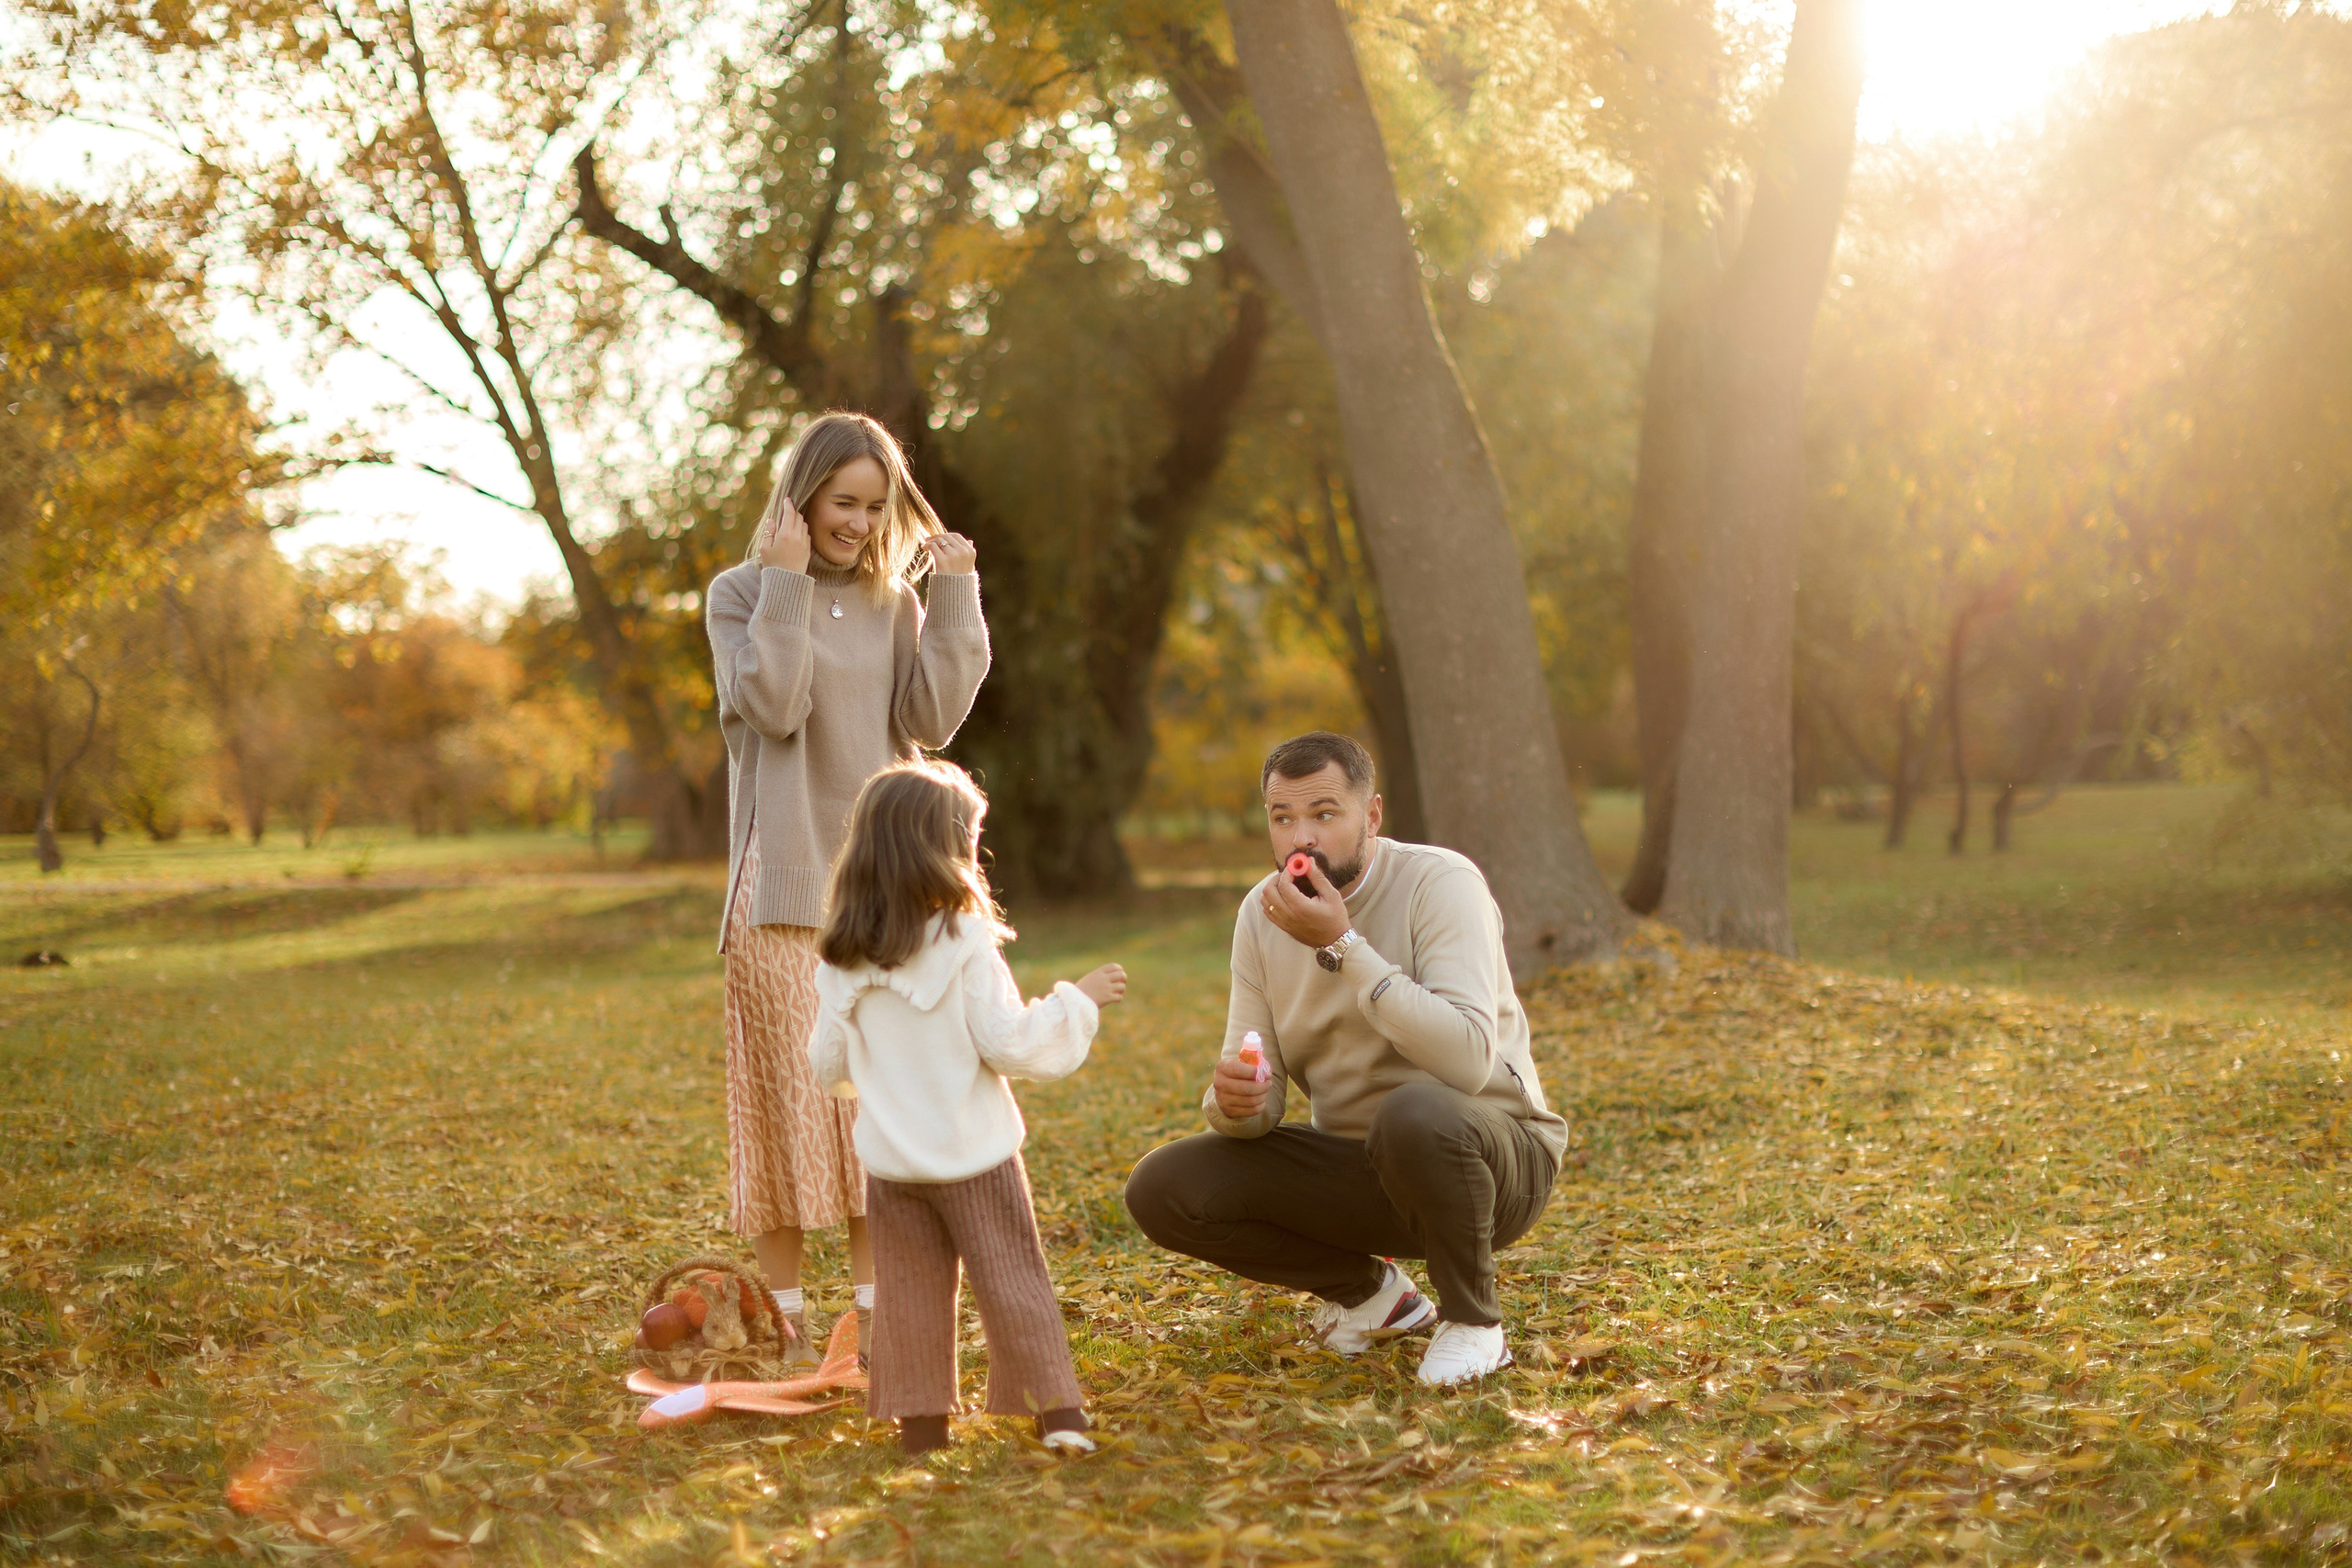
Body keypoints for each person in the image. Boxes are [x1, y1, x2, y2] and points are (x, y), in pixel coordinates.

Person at [1123, 731, 1565, 1386]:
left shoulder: (1441, 883)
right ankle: (1374, 1296)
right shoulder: (1259, 916)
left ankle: (1475, 1323)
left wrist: (1343, 945)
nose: (1301, 838)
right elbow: (1260, 1096)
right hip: (1363, 1173)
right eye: (1283, 818)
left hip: (1497, 1162)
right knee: (1161, 1186)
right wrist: (1235, 1101)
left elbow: (1469, 1059)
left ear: (1373, 815)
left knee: (1411, 1112)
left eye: (1324, 814)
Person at [706, 411, 990, 1363]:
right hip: (779, 892)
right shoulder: (741, 595)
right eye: (843, 503)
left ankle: (874, 1322)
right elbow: (775, 706)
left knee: (877, 1107)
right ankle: (780, 1323)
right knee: (788, 1108)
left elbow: (935, 720)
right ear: (804, 493)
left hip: (881, 893)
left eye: (875, 507)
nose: (860, 524)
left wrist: (953, 596)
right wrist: (786, 580)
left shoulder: (894, 606)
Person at [809, 761, 1126, 1457]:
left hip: (893, 1163)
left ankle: (921, 1426)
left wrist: (883, 1079)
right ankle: (1058, 1414)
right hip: (976, 1155)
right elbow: (1010, 1043)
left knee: (909, 1294)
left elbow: (829, 1062)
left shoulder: (840, 959)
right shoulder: (962, 941)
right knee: (1011, 1279)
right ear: (942, 849)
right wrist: (1079, 999)